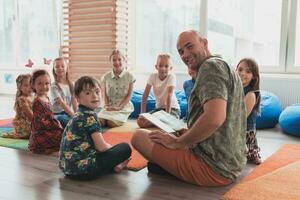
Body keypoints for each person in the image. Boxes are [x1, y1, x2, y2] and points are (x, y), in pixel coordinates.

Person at [131, 30, 247, 186]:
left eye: (189, 46)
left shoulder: (210, 67)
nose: (185, 54)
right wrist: (187, 134)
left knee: (139, 137)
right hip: (232, 162)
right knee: (164, 139)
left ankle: (170, 167)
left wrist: (179, 143)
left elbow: (215, 119)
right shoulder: (224, 64)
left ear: (204, 43)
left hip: (215, 168)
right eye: (181, 51)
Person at [59, 76, 131, 180]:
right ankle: (115, 165)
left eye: (97, 92)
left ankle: (113, 166)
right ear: (77, 98)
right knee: (125, 147)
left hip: (68, 169)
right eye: (88, 93)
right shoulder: (90, 117)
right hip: (85, 171)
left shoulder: (77, 114)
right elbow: (101, 147)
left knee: (103, 150)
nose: (94, 96)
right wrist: (112, 150)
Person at [137, 54, 181, 128]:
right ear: (156, 67)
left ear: (170, 68)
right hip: (159, 110)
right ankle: (159, 122)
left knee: (168, 123)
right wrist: (142, 114)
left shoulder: (171, 77)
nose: (163, 69)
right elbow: (145, 95)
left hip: (172, 109)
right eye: (160, 66)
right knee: (140, 122)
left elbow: (169, 96)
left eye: (166, 66)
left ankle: (160, 122)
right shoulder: (152, 76)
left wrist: (167, 116)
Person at [28, 69, 64, 154]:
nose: (44, 86)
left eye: (47, 83)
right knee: (63, 137)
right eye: (40, 83)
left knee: (66, 134)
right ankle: (46, 149)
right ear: (33, 85)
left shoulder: (46, 98)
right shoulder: (37, 102)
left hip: (50, 128)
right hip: (42, 131)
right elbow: (39, 122)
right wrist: (53, 124)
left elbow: (50, 115)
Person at [98, 49, 135, 127]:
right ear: (110, 61)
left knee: (111, 123)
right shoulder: (106, 77)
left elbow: (129, 95)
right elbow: (104, 95)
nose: (117, 62)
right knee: (100, 122)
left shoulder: (130, 76)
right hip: (109, 107)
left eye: (119, 59)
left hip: (123, 107)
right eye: (114, 60)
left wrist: (119, 107)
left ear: (124, 60)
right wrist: (107, 106)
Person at [236, 58, 262, 165]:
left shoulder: (251, 94)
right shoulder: (235, 88)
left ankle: (254, 154)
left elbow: (243, 116)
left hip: (246, 126)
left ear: (254, 76)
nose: (242, 73)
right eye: (240, 69)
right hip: (235, 124)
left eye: (248, 71)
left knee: (250, 154)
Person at [2, 74, 33, 139]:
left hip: (31, 121)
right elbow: (30, 115)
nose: (30, 87)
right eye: (26, 85)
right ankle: (17, 134)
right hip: (24, 124)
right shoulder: (22, 99)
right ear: (20, 87)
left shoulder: (31, 97)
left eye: (31, 84)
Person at [50, 57, 77, 128]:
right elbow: (61, 103)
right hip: (57, 114)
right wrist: (73, 115)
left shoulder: (72, 84)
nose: (60, 68)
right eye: (57, 66)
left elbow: (74, 101)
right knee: (63, 119)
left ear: (67, 68)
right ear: (54, 70)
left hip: (69, 113)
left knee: (81, 119)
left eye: (62, 66)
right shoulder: (53, 87)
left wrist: (77, 114)